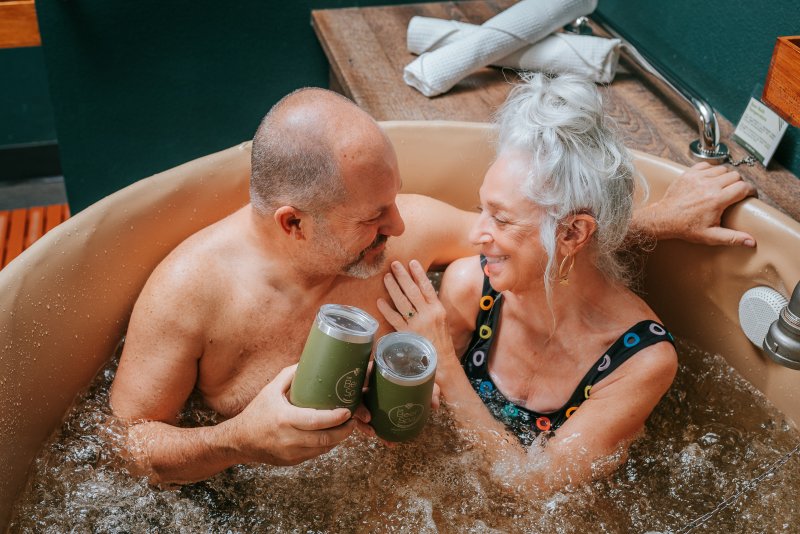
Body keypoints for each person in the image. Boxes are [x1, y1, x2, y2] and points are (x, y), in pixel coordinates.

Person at [109, 86, 757, 485]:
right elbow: (126, 447)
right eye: (374, 218)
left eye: (393, 201)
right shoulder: (190, 293)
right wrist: (240, 443)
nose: (402, 222)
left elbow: (541, 241)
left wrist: (658, 218)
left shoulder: (404, 230)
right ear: (294, 223)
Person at [377, 73, 744, 494]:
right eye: (482, 208)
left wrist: (441, 358)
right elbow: (426, 429)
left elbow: (538, 489)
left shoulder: (640, 361)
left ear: (572, 234)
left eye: (501, 218)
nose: (476, 233)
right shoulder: (468, 287)